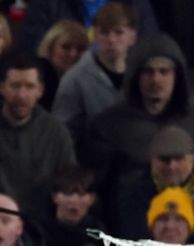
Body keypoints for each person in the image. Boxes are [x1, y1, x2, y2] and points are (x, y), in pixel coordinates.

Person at [81, 34, 194, 199]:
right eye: (148, 72)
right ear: (136, 77)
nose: (156, 79)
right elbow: (95, 190)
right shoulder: (108, 126)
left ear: (177, 77)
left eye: (164, 72)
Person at [0, 51, 77, 215]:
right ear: (1, 87)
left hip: (40, 229)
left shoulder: (56, 132)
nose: (22, 95)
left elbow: (70, 188)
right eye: (15, 86)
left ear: (40, 90)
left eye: (29, 87)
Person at [112, 125, 194, 241]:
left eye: (178, 158)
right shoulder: (132, 198)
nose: (171, 166)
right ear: (152, 160)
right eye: (164, 159)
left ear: (193, 160)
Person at [51, 2, 137, 143]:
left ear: (132, 37)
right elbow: (62, 135)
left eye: (119, 32)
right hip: (92, 161)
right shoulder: (75, 78)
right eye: (104, 32)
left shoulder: (142, 74)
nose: (111, 40)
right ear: (95, 35)